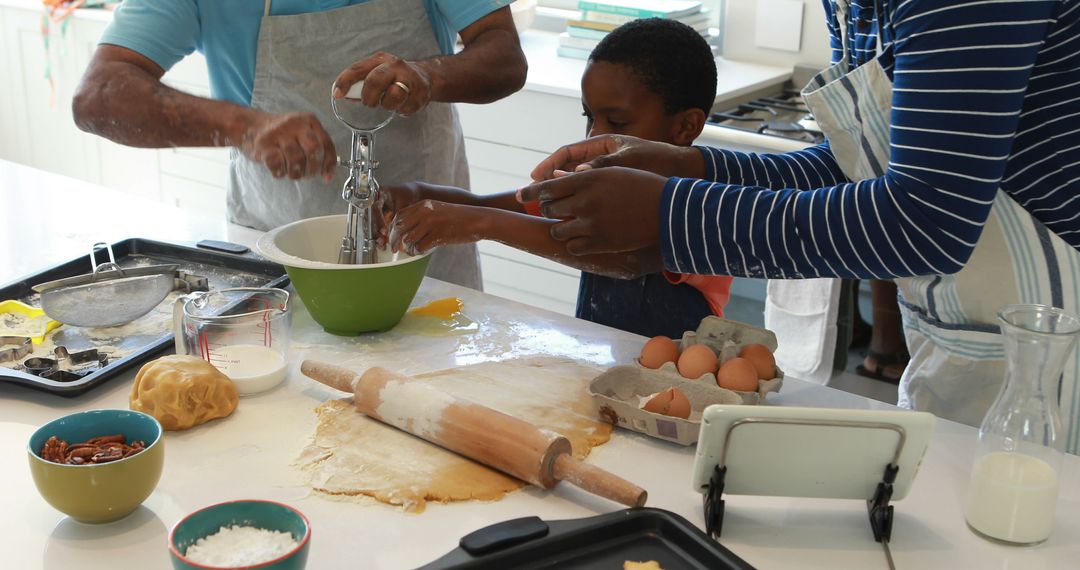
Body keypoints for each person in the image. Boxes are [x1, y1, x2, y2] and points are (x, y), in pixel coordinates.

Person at [518, 0, 1080, 454]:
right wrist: (692, 165)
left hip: (1053, 334)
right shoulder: (852, 7)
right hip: (965, 330)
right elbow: (852, 163)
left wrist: (670, 209)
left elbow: (928, 219)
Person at [71, 0, 528, 290]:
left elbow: (505, 54)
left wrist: (430, 74)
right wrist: (241, 126)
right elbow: (98, 95)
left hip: (425, 259)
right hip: (276, 262)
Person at [378, 18, 732, 338]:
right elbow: (497, 204)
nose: (595, 136)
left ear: (686, 126)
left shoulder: (699, 205)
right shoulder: (597, 185)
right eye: (589, 117)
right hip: (608, 364)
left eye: (618, 123)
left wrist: (481, 223)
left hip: (683, 370)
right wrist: (416, 193)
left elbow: (624, 259)